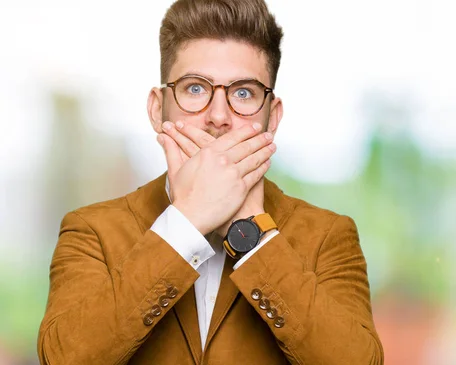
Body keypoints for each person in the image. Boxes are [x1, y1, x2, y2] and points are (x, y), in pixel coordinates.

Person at [37, 0, 383, 363]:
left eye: (244, 93)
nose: (218, 117)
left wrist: (252, 234)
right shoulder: (92, 231)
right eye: (195, 89)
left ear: (272, 117)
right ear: (158, 109)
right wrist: (185, 223)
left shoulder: (328, 237)